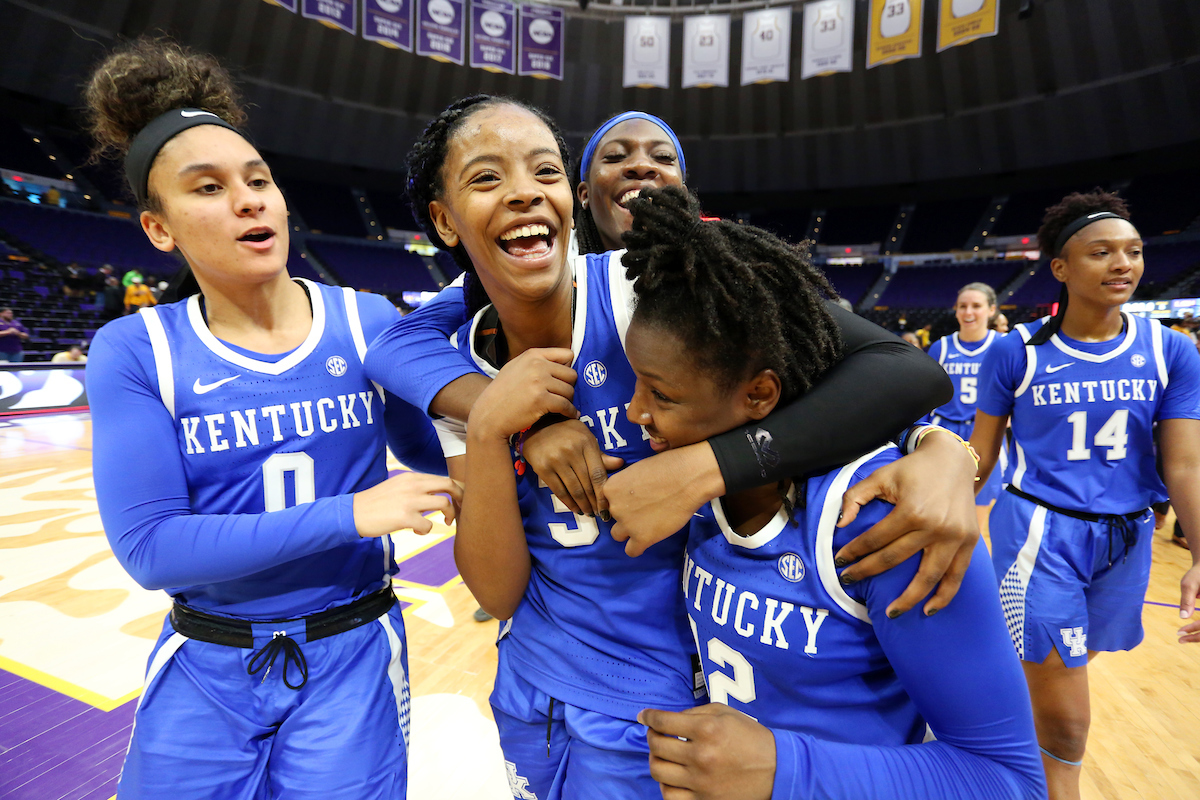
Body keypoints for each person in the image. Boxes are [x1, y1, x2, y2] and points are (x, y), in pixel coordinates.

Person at [384, 95, 979, 799]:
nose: (521, 191)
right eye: (486, 178)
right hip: (532, 684)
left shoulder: (651, 295)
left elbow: (892, 368)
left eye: (542, 168)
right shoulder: (460, 362)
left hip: (666, 694)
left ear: (567, 197)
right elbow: (497, 589)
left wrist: (938, 443)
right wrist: (496, 427)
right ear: (444, 220)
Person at [83, 38, 457, 800]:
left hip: (353, 657)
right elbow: (153, 549)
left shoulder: (367, 323)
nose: (248, 199)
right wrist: (352, 513)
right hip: (207, 662)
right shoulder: (136, 348)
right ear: (161, 229)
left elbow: (436, 455)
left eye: (258, 179)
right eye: (209, 188)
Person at [626, 186, 1045, 800]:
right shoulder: (688, 483)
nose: (636, 413)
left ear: (761, 396)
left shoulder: (885, 520)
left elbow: (1009, 779)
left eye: (660, 395)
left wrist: (786, 769)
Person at [970, 190, 1200, 800]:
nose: (1122, 263)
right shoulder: (1014, 350)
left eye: (1133, 251)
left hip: (1128, 536)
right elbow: (980, 456)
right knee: (1069, 725)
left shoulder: (1171, 350)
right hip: (1040, 533)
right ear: (1062, 268)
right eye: (1101, 252)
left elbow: (1184, 463)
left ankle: (987, 710)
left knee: (1064, 667)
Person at [927, 283, 1005, 533]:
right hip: (945, 431)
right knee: (937, 509)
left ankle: (968, 568)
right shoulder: (941, 347)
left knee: (976, 515)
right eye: (963, 306)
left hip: (985, 432)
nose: (968, 312)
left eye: (976, 306)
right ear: (956, 311)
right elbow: (927, 394)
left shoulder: (1004, 346)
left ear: (991, 310)